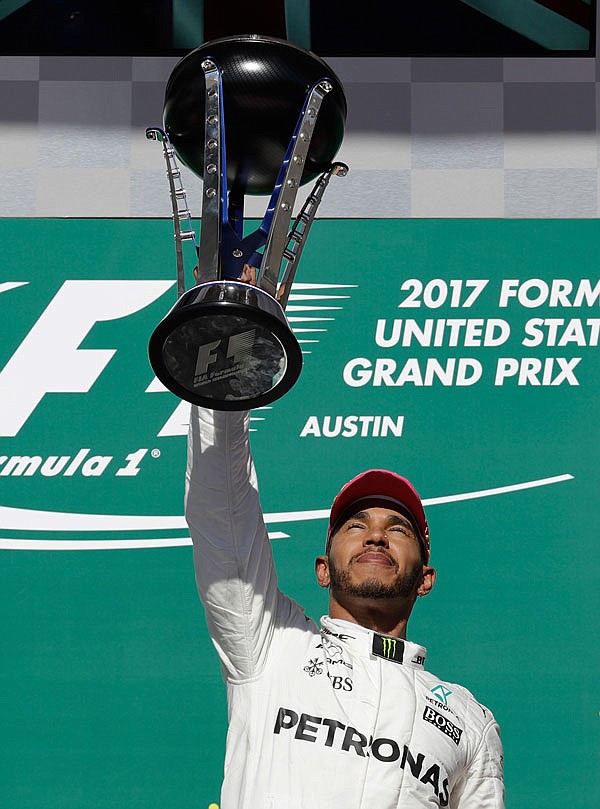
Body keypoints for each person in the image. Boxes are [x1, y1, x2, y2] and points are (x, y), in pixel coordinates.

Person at [185, 407, 504, 808]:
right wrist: (221, 401)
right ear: (324, 570)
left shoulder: (469, 720)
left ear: (425, 578)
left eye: (397, 529)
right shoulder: (274, 643)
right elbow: (223, 516)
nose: (375, 537)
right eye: (356, 526)